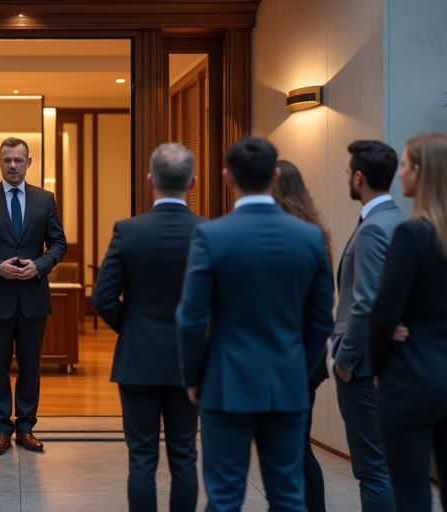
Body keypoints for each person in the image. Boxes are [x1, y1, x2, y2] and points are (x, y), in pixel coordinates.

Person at [176, 136, 334, 512]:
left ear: (228, 177)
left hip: (225, 382)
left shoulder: (211, 235)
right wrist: (300, 369)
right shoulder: (310, 237)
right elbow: (319, 320)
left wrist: (193, 378)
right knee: (288, 497)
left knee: (225, 497)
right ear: (275, 174)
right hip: (287, 382)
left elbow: (192, 317)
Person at [369, 132, 447, 512]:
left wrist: (378, 364)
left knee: (412, 499)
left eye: (404, 165)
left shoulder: (411, 235)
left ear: (421, 173)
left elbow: (384, 314)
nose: (400, 174)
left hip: (412, 378)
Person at [92, 143, 203, 512]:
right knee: (184, 456)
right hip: (191, 364)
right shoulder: (208, 233)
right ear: (193, 182)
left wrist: (132, 328)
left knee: (141, 459)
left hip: (138, 361)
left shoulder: (128, 230)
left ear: (150, 180)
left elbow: (102, 298)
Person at [0, 136, 67, 455]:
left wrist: (40, 265)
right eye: (7, 160)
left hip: (33, 296)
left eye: (19, 160)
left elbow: (59, 244)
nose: (13, 165)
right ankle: (1, 429)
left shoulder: (45, 199)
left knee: (31, 366)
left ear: (29, 162)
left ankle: (26, 427)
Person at [332, 140, 404, 512]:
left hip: (363, 369)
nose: (347, 177)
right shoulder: (399, 221)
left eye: (348, 172)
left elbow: (366, 302)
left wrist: (345, 360)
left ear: (359, 178)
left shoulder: (375, 228)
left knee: (373, 470)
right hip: (393, 364)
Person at [271, 160, 332, 512]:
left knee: (290, 451)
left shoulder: (283, 236)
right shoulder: (314, 232)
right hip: (307, 360)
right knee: (299, 446)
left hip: (286, 359)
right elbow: (321, 310)